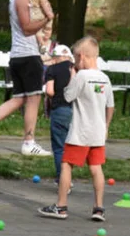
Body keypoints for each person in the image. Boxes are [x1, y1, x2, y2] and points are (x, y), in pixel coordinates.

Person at [38, 37, 113, 222]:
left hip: (80, 131)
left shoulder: (81, 76)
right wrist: (106, 126)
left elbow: (68, 96)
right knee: (96, 168)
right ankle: (98, 207)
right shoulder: (105, 78)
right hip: (98, 131)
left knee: (66, 165)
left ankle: (61, 206)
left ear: (81, 56)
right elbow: (110, 105)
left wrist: (72, 77)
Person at [0, 0, 53, 155]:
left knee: (20, 98)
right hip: (27, 56)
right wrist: (47, 18)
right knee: (34, 98)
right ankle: (29, 142)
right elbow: (27, 28)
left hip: (21, 56)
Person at [44, 43, 74, 184]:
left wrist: (52, 99)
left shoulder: (52, 69)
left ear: (55, 58)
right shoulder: (76, 68)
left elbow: (49, 91)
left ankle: (62, 179)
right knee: (71, 145)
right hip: (75, 110)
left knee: (59, 147)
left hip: (59, 109)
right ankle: (69, 177)